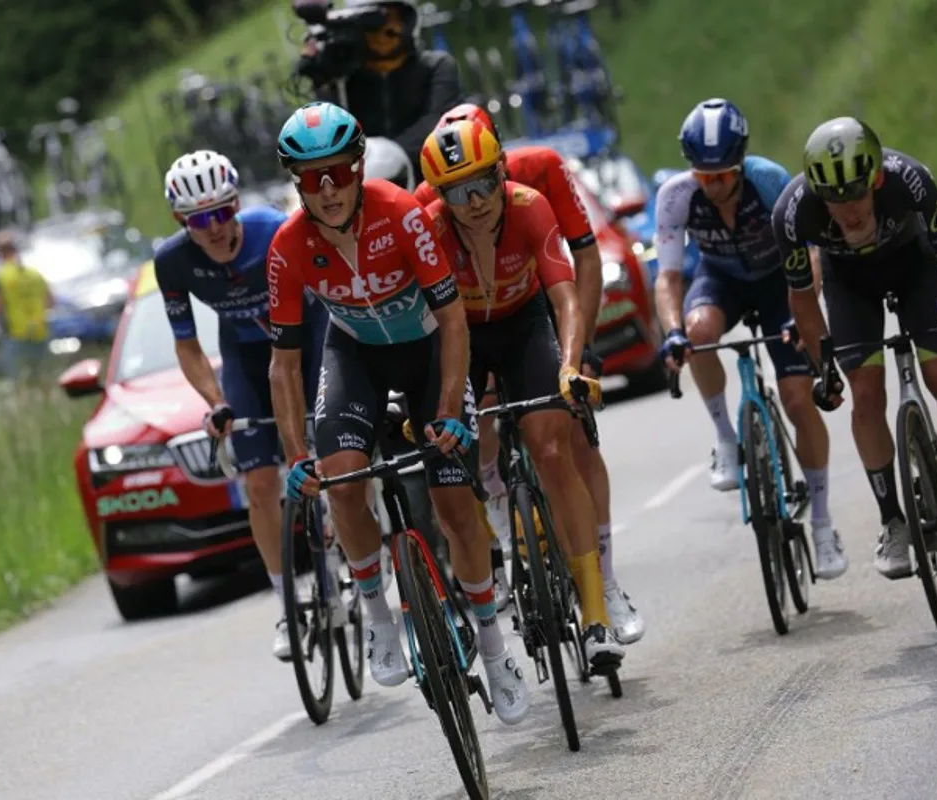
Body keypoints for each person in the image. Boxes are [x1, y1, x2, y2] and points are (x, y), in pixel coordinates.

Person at [266, 101, 531, 725]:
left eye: (337, 172)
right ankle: (378, 616)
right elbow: (283, 366)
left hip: (426, 352)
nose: (327, 190)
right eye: (311, 178)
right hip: (355, 357)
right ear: (295, 182)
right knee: (344, 480)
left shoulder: (401, 213)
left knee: (453, 507)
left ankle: (494, 650)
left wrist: (449, 410)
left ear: (358, 167)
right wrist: (295, 457)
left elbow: (451, 317)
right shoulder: (288, 247)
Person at [414, 102, 645, 644]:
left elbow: (572, 282)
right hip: (463, 332)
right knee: (470, 425)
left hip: (527, 317)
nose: (472, 202)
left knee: (556, 446)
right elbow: (426, 319)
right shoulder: (427, 216)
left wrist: (576, 360)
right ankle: (494, 498)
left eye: (482, 184)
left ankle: (600, 596)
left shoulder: (534, 186)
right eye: (455, 191)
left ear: (500, 161)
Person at [653, 99, 847, 580]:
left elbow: (813, 256)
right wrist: (673, 332)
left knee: (799, 400)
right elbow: (669, 279)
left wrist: (802, 314)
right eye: (703, 175)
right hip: (722, 282)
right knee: (697, 333)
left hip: (783, 282)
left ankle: (822, 524)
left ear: (740, 166)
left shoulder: (769, 181)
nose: (713, 185)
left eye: (722, 175)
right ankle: (726, 439)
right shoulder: (676, 196)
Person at [154, 149, 329, 659]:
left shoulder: (274, 228)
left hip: (307, 339)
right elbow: (187, 345)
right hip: (247, 358)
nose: (214, 229)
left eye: (222, 212)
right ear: (180, 222)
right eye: (199, 220)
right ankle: (287, 605)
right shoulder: (172, 261)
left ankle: (354, 566)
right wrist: (214, 402)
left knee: (335, 458)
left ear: (236, 204)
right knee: (259, 482)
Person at [772, 116, 937, 579]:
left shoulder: (911, 179)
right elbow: (802, 297)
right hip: (849, 285)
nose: (848, 208)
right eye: (834, 198)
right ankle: (893, 519)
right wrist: (822, 368)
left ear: (876, 179)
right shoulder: (792, 212)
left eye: (855, 192)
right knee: (865, 395)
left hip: (914, 266)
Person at [305, 0, 463, 179]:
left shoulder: (436, 66)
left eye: (389, 19)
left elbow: (438, 122)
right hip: (369, 183)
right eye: (370, 24)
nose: (380, 34)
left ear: (407, 20)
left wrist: (383, 159)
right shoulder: (345, 78)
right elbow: (330, 136)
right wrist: (322, 80)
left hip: (431, 178)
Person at [0, 230, 52, 391]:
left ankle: (26, 410)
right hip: (40, 331)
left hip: (16, 334)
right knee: (43, 378)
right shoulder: (34, 274)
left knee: (20, 383)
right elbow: (51, 301)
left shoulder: (1, 276)